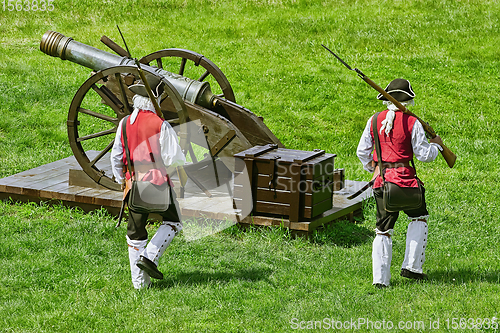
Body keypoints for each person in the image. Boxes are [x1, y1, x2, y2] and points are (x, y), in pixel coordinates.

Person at [356, 78, 444, 288]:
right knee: (419, 218)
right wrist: (438, 146)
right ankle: (412, 267)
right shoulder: (412, 122)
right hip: (407, 183)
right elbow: (424, 155)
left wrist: (375, 169)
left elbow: (362, 152)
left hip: (381, 182)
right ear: (408, 99)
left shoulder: (374, 120)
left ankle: (380, 280)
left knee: (383, 230)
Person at [111, 87, 186, 289]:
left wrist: (121, 180)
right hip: (159, 183)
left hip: (133, 183)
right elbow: (175, 158)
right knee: (173, 222)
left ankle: (140, 285)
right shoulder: (161, 125)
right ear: (155, 102)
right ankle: (149, 256)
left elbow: (116, 156)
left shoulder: (124, 123)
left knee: (135, 233)